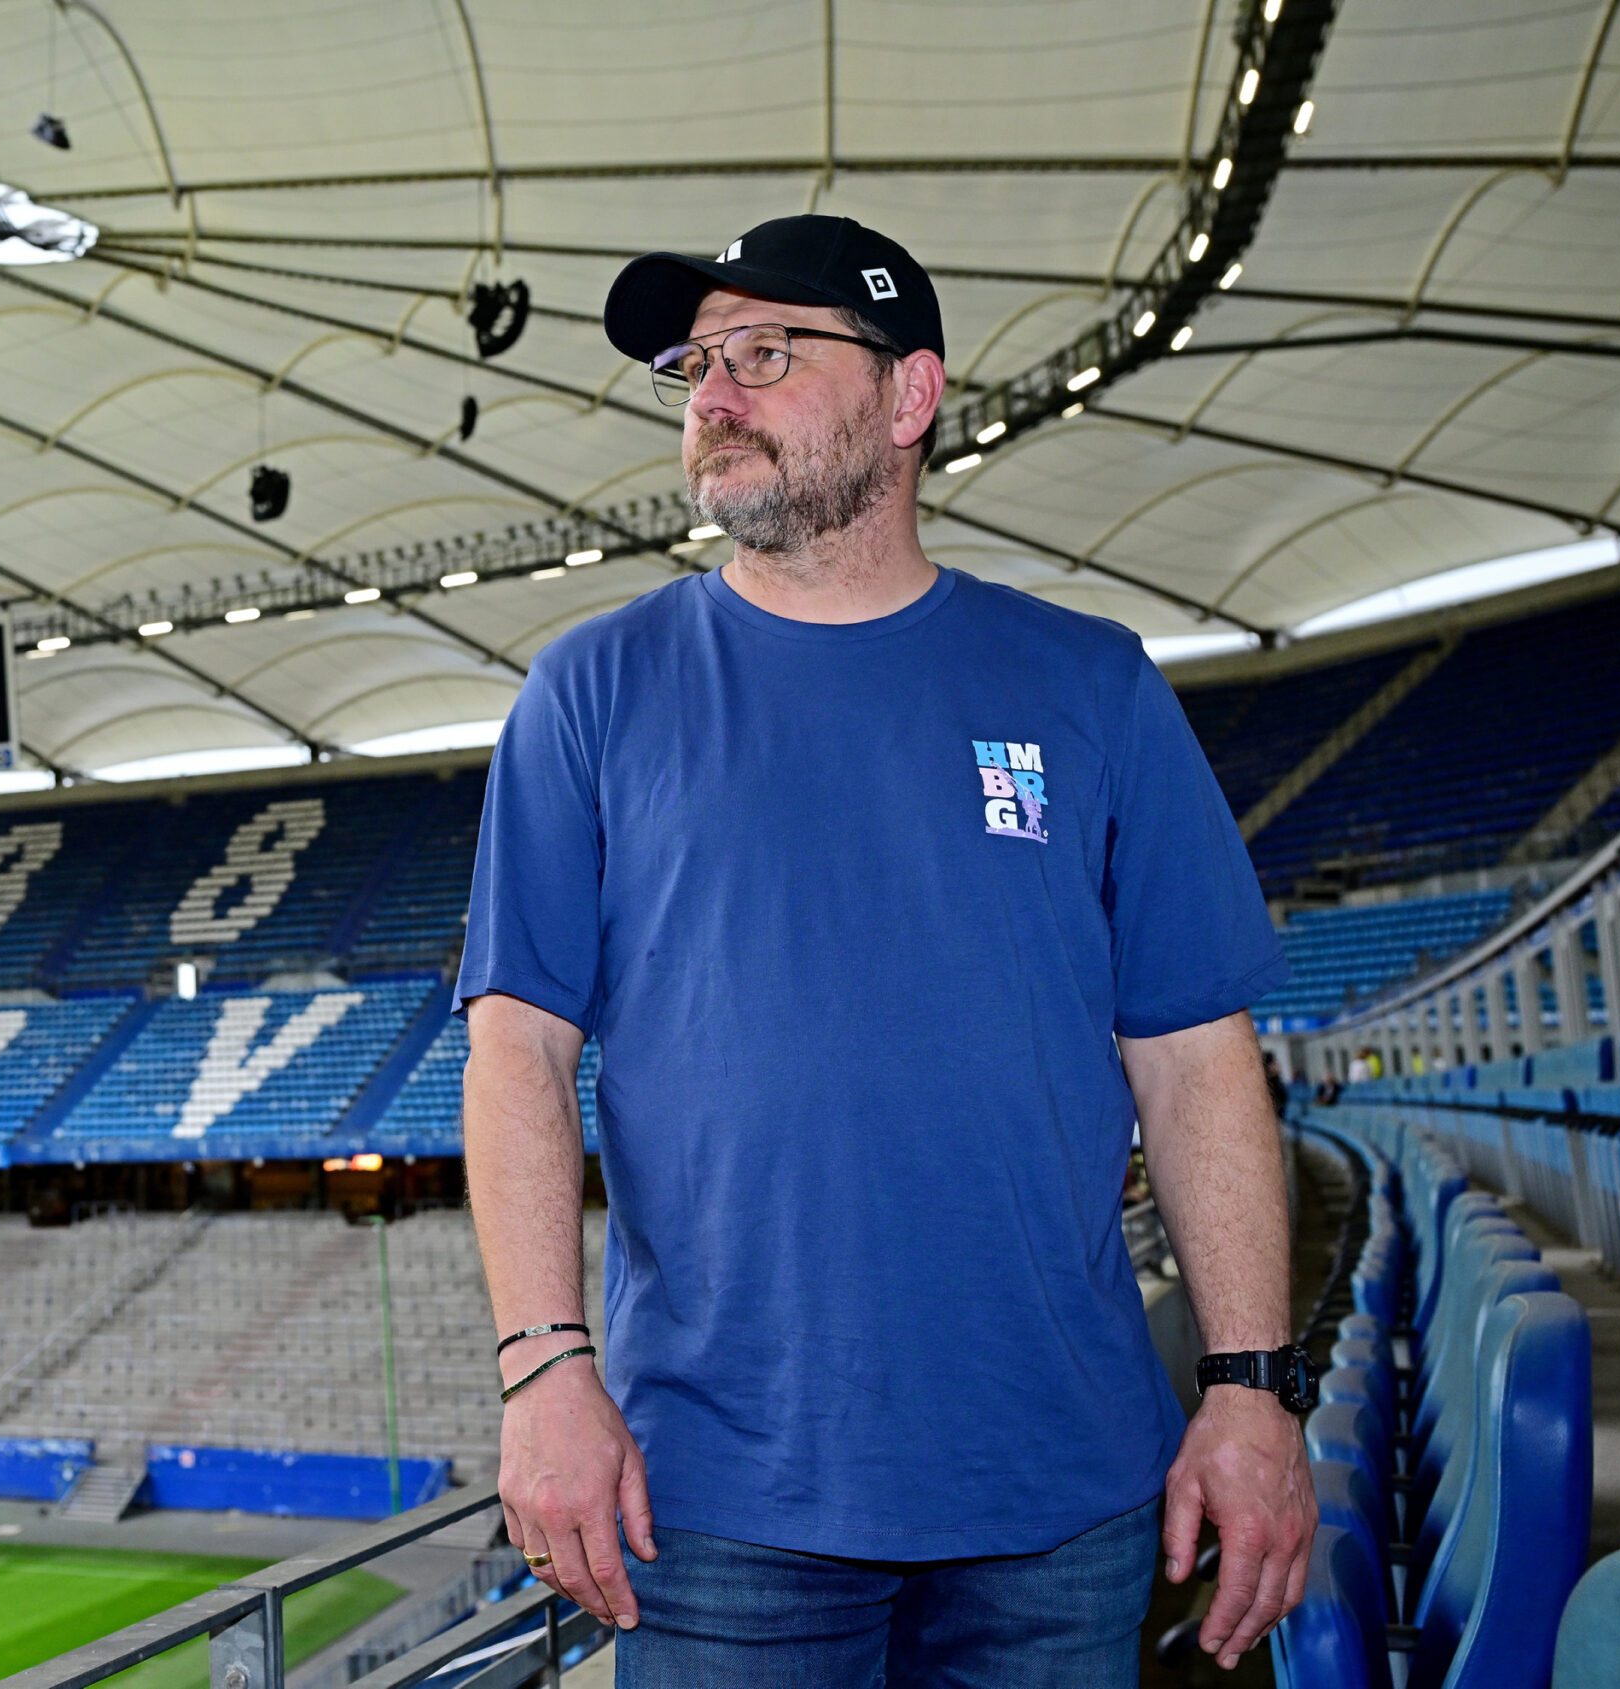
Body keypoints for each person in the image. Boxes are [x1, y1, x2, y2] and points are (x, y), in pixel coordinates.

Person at [458, 214, 1316, 1685]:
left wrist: (1248, 1386)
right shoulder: (588, 693)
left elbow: (1194, 1061)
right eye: (697, 364)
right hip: (719, 1504)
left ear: (907, 398)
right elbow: (515, 1049)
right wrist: (543, 1364)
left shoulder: (1089, 684)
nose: (714, 394)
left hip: (1059, 1489)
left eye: (767, 354)